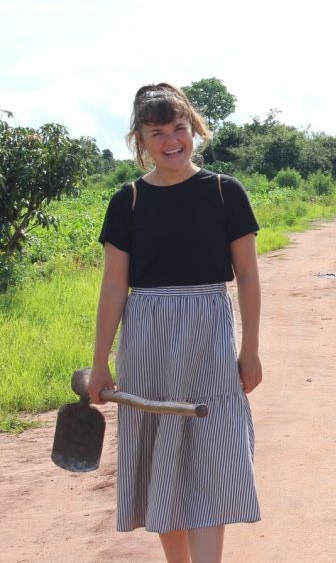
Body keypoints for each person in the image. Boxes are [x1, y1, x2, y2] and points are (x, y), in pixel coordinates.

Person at [87, 82, 262, 563]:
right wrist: (100, 363)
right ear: (140, 140)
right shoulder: (127, 201)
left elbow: (248, 276)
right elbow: (113, 288)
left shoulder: (225, 192)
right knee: (160, 453)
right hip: (147, 339)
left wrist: (249, 349)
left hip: (209, 332)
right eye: (157, 132)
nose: (171, 141)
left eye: (179, 128)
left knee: (213, 453)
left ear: (195, 130)